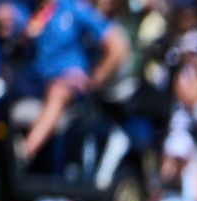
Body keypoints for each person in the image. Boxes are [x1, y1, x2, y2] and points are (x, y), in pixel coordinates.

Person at [13, 0, 131, 162]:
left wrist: (93, 80)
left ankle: (24, 153)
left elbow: (117, 46)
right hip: (35, 79)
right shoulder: (34, 10)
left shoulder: (74, 8)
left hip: (66, 81)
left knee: (57, 92)